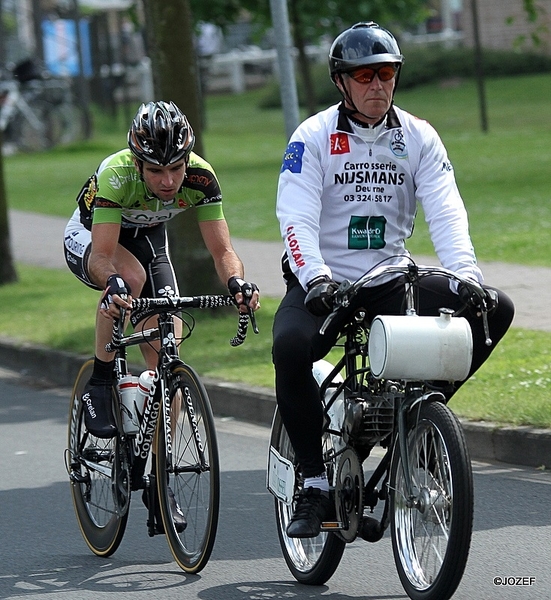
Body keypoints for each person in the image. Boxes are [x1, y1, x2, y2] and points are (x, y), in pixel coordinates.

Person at [272, 22, 514, 538]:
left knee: (493, 309)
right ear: (341, 81)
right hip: (325, 282)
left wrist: (466, 274)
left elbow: (447, 211)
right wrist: (313, 277)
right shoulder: (312, 137)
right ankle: (314, 483)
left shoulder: (418, 136)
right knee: (291, 347)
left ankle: (414, 426)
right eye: (365, 75)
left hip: (389, 278)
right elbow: (296, 217)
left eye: (386, 73)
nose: (378, 85)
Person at [64, 100, 259, 528]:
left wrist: (236, 284)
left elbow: (223, 251)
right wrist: (110, 282)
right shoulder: (117, 174)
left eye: (175, 168)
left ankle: (158, 477)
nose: (169, 181)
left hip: (150, 236)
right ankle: (101, 378)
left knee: (167, 342)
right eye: (155, 171)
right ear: (138, 163)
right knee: (127, 281)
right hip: (94, 235)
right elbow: (102, 256)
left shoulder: (201, 178)